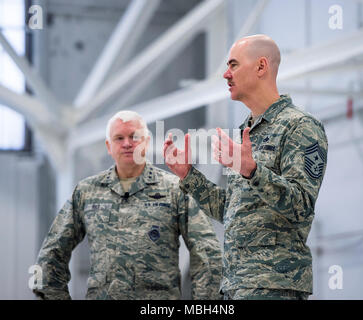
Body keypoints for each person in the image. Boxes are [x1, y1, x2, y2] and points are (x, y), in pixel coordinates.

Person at [163, 34, 328, 300]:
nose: (226, 74)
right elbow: (233, 210)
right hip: (234, 286)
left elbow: (301, 206)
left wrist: (252, 171)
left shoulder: (301, 127)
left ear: (261, 67)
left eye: (234, 65)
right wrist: (189, 176)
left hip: (274, 287)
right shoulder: (247, 132)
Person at [32, 110, 222, 300]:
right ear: (108, 146)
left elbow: (208, 253)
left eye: (134, 137)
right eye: (119, 138)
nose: (127, 143)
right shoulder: (87, 192)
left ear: (147, 142)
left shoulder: (176, 190)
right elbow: (50, 255)